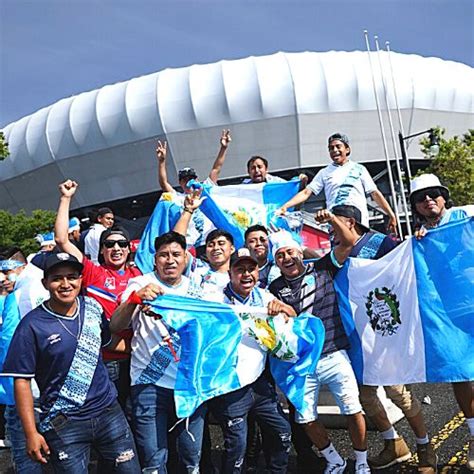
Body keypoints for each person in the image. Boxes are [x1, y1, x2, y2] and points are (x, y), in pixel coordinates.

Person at [1, 252, 140, 473]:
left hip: (108, 413)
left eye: (72, 277)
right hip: (64, 422)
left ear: (80, 280)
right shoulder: (31, 325)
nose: (66, 284)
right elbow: (21, 382)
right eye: (57, 278)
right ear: (45, 283)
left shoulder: (92, 307)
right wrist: (31, 433)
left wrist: (148, 350)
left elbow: (107, 342)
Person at [331, 204, 436, 472]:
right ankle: (394, 443)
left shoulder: (379, 241)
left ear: (350, 222)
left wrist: (421, 239)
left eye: (335, 223)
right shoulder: (337, 250)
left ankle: (425, 446)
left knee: (397, 392)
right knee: (367, 396)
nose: (331, 229)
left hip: (387, 330)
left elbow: (407, 262)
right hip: (359, 335)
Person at [269, 215, 370, 474]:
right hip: (301, 363)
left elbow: (348, 240)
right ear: (275, 261)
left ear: (300, 251)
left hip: (335, 354)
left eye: (290, 252)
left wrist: (333, 218)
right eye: (280, 255)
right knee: (305, 418)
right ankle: (334, 459)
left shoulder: (323, 267)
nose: (287, 258)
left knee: (353, 410)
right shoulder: (273, 288)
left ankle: (361, 461)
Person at [110, 231, 205, 473]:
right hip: (148, 384)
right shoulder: (140, 283)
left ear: (185, 258)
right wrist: (135, 300)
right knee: (153, 461)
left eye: (176, 254)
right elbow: (116, 325)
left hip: (189, 386)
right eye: (163, 255)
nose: (170, 260)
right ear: (155, 260)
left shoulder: (199, 290)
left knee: (191, 459)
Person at [54, 180, 141, 406]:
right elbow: (62, 240)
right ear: (101, 250)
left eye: (121, 244)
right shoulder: (92, 272)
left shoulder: (138, 274)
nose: (116, 249)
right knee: (112, 413)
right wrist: (66, 199)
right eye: (110, 245)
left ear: (128, 248)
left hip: (139, 358)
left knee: (139, 416)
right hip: (107, 361)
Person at [210, 248, 294, 473]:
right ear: (230, 273)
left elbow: (293, 318)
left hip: (259, 382)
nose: (246, 274)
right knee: (237, 445)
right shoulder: (214, 298)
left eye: (251, 268)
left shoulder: (264, 297)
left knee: (282, 431)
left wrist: (284, 308)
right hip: (230, 383)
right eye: (240, 269)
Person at [410, 173, 474, 470]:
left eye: (433, 193)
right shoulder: (419, 237)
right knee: (460, 375)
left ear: (443, 195)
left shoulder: (465, 214)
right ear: (415, 206)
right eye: (421, 198)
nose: (428, 200)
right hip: (450, 313)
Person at [277, 133, 397, 233]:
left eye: (338, 146)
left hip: (359, 222)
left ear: (347, 149)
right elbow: (307, 192)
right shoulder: (324, 172)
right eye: (331, 148)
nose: (335, 150)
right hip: (336, 222)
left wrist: (391, 215)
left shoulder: (359, 169)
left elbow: (375, 193)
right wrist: (285, 206)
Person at [156, 131, 231, 249]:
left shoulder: (206, 189)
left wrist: (223, 148)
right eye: (184, 180)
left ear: (197, 179)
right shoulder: (177, 197)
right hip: (188, 244)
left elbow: (216, 169)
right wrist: (162, 162)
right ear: (180, 183)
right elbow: (163, 183)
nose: (188, 182)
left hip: (209, 243)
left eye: (191, 178)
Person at [173, 191, 235, 297]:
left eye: (221, 243)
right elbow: (175, 244)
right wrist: (188, 210)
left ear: (232, 249)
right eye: (211, 245)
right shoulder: (196, 268)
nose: (216, 248)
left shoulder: (239, 276)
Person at [244, 225, 280, 289]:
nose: (259, 243)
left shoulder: (279, 267)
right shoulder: (239, 270)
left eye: (263, 240)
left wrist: (285, 242)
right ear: (246, 245)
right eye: (252, 241)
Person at [243, 155, 308, 186]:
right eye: (253, 168)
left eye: (259, 167)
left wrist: (302, 182)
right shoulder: (243, 188)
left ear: (266, 170)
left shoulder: (277, 182)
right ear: (248, 172)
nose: (257, 170)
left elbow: (291, 189)